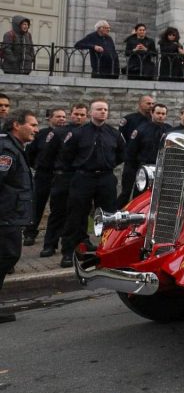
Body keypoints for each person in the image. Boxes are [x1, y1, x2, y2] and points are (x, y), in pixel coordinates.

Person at [58, 99, 125, 267]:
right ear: (91, 113)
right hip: (83, 177)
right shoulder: (78, 133)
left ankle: (109, 249)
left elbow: (122, 154)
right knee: (76, 214)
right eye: (99, 109)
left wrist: (107, 165)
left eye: (106, 109)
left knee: (109, 215)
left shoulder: (114, 133)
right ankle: (69, 251)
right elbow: (66, 155)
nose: (103, 112)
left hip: (106, 178)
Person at [0, 109, 39, 322]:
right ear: (17, 125)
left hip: (10, 215)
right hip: (5, 216)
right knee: (7, 256)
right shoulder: (7, 149)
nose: (36, 129)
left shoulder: (14, 147)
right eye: (32, 125)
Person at [38, 103, 87, 258]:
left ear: (86, 116)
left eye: (82, 114)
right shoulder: (59, 132)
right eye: (76, 114)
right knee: (57, 212)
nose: (79, 117)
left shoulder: (89, 132)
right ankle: (49, 245)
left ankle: (79, 243)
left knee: (79, 213)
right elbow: (47, 155)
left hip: (80, 177)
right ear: (70, 114)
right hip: (62, 176)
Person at [23, 107, 67, 246]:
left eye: (63, 117)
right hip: (44, 175)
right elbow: (30, 153)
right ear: (49, 118)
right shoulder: (41, 134)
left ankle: (57, 234)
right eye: (58, 116)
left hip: (60, 175)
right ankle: (30, 233)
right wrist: (36, 165)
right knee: (37, 205)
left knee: (60, 207)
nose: (61, 119)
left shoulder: (68, 134)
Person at [124, 104, 169, 201]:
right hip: (145, 169)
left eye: (163, 113)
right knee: (140, 198)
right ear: (152, 113)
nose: (160, 116)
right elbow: (131, 152)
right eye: (158, 113)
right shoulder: (141, 129)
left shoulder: (169, 130)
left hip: (162, 169)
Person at [117, 95, 155, 207]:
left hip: (145, 163)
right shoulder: (129, 119)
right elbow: (121, 140)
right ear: (140, 104)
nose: (151, 106)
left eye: (153, 104)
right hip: (131, 162)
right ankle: (116, 213)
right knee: (126, 192)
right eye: (148, 103)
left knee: (141, 193)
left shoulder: (152, 122)